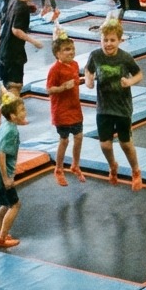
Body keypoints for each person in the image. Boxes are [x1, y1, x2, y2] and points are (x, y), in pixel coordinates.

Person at [85, 16, 143, 191]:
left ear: (119, 40)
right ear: (100, 39)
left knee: (125, 143)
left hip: (122, 107)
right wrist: (89, 80)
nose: (108, 44)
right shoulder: (95, 55)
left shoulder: (125, 57)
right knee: (105, 144)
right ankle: (112, 165)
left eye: (112, 40)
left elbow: (139, 74)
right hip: (104, 107)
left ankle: (135, 170)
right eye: (105, 40)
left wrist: (129, 82)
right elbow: (88, 70)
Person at [0, 0, 43, 99]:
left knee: (5, 85)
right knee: (15, 85)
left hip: (3, 51)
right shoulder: (22, 8)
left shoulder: (12, 1)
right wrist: (34, 41)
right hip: (13, 54)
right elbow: (16, 30)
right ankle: (12, 108)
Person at [0, 90, 25, 250]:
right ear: (13, 116)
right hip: (0, 176)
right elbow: (0, 155)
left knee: (5, 204)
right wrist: (6, 178)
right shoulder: (11, 131)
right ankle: (2, 238)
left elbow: (5, 101)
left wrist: (6, 95)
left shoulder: (6, 123)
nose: (25, 113)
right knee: (15, 205)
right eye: (22, 110)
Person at [46, 28, 86, 186]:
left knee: (79, 137)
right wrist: (62, 87)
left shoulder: (75, 64)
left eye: (72, 49)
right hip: (61, 111)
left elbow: (75, 80)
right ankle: (58, 169)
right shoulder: (54, 70)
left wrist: (83, 80)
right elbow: (49, 90)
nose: (71, 52)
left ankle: (75, 165)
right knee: (64, 140)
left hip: (75, 108)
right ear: (58, 53)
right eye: (67, 50)